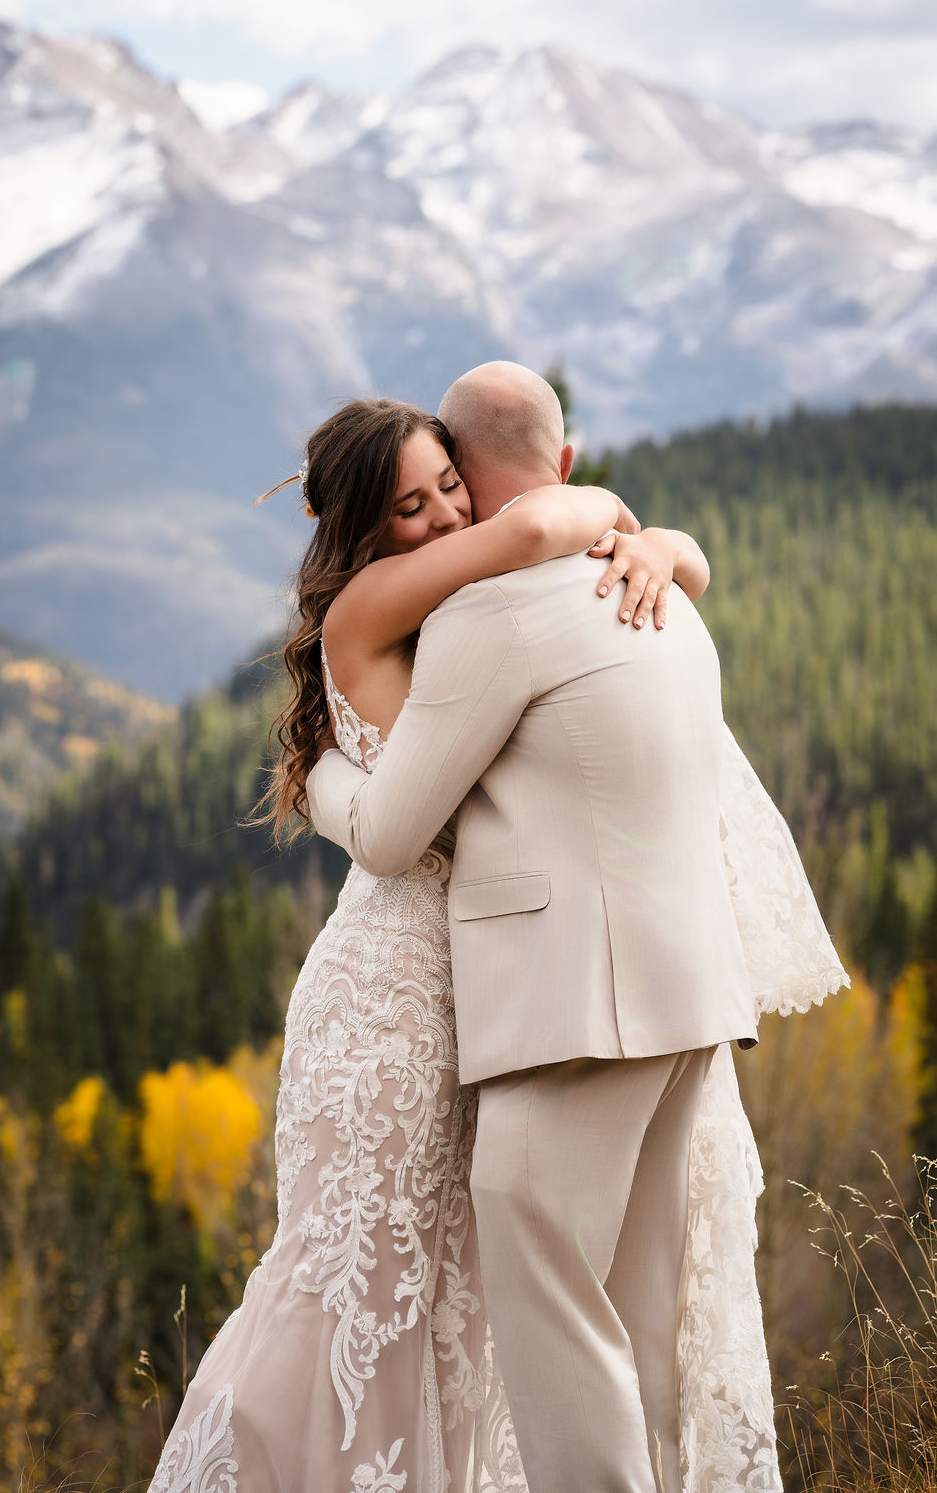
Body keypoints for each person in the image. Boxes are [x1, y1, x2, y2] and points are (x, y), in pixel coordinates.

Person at [150, 380, 847, 1493]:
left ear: (477, 470)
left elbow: (538, 546)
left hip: (543, 991)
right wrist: (640, 533)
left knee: (537, 1300)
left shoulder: (509, 600)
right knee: (413, 1292)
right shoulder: (441, 601)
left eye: (447, 488)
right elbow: (527, 538)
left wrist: (658, 539)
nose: (444, 518)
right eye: (413, 505)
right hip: (475, 988)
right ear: (364, 529)